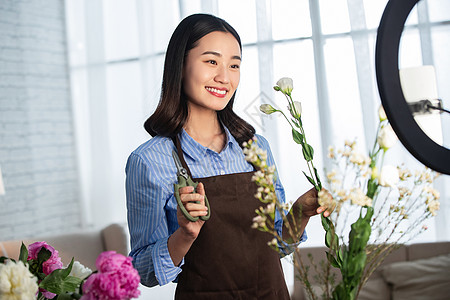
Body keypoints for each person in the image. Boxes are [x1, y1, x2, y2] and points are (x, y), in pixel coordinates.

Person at [126, 13, 330, 300]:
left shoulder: (256, 147)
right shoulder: (149, 161)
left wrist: (300, 212)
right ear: (180, 66)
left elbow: (276, 246)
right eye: (211, 61)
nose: (224, 77)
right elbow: (141, 272)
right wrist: (184, 235)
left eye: (234, 65)